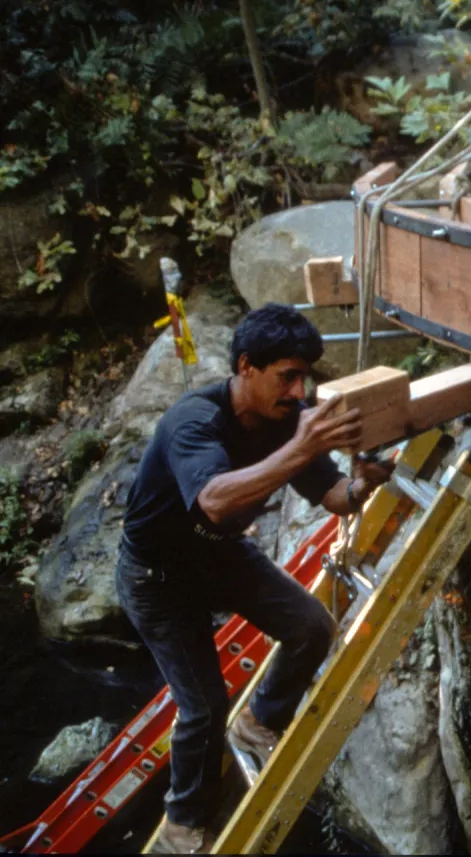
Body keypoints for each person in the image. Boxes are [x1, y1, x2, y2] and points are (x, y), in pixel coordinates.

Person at [116, 303, 390, 853]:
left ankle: (261, 720)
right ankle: (181, 822)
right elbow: (215, 500)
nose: (298, 390)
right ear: (246, 367)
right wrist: (305, 445)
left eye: (304, 376)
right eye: (287, 375)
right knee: (204, 703)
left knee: (312, 626)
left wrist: (361, 485)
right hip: (157, 577)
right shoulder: (192, 422)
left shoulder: (286, 418)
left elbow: (334, 496)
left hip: (218, 556)